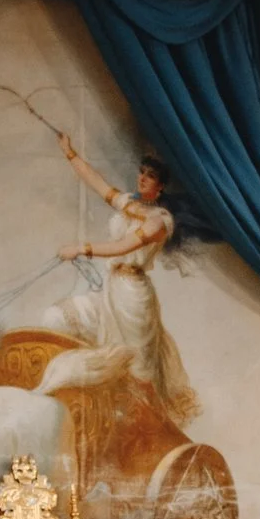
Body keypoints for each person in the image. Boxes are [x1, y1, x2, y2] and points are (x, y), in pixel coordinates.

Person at [40, 135, 199, 426]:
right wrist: (70, 153)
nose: (142, 179)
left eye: (150, 177)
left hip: (133, 300)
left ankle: (140, 429)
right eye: (142, 172)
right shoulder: (130, 204)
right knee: (55, 318)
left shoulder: (160, 221)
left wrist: (82, 248)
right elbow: (98, 183)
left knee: (136, 372)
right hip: (109, 288)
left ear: (160, 185)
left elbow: (123, 247)